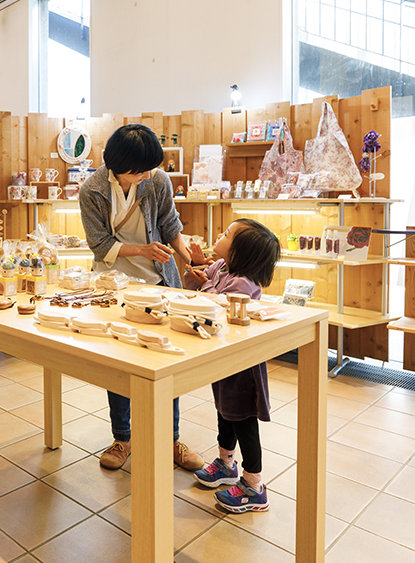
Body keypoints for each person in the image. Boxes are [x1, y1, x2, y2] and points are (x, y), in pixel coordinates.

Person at [78, 123, 203, 472]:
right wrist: (142, 248)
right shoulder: (92, 190)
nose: (148, 173)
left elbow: (171, 224)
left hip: (159, 282)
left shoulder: (157, 181)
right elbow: (100, 244)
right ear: (120, 164)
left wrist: (189, 256)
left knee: (168, 362)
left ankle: (171, 438)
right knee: (118, 366)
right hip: (113, 287)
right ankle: (123, 437)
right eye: (142, 168)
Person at [183, 218, 281, 513]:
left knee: (243, 420)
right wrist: (197, 269)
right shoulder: (222, 267)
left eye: (226, 234)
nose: (219, 234)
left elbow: (216, 304)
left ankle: (254, 485)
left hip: (244, 365)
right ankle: (226, 464)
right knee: (225, 413)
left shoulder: (243, 282)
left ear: (239, 253)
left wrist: (205, 282)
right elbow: (197, 288)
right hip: (224, 359)